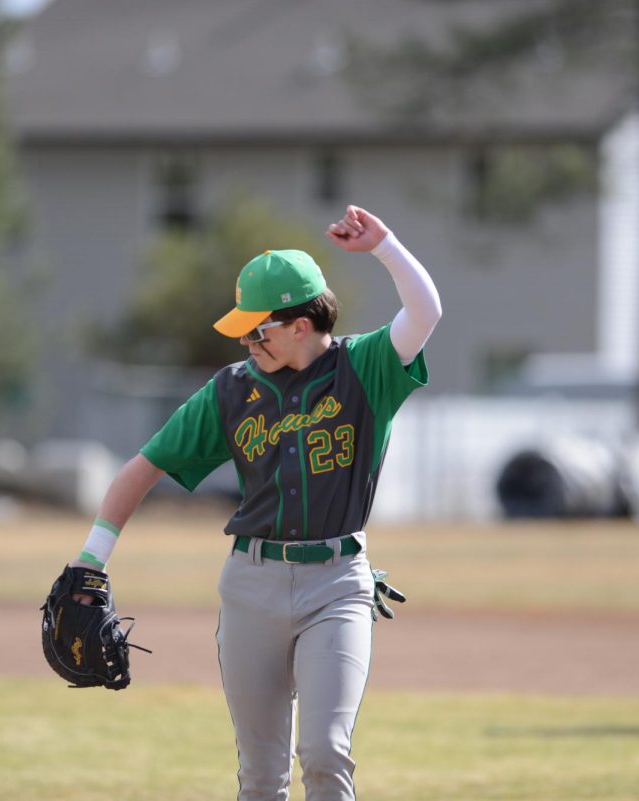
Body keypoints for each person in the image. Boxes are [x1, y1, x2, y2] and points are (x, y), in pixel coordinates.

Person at [68, 205, 440, 800]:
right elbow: (142, 468)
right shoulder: (233, 390)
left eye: (257, 327)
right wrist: (91, 559)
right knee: (261, 777)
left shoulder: (364, 367)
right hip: (250, 585)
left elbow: (425, 312)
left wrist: (385, 246)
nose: (247, 340)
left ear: (299, 323)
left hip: (338, 583)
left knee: (325, 753)